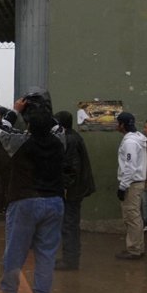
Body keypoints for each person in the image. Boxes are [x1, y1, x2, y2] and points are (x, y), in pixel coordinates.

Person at [0, 95, 64, 293]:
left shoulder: (19, 142)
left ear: (28, 124)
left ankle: (9, 291)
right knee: (47, 252)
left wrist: (15, 111)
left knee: (16, 249)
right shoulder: (59, 141)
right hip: (55, 201)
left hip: (25, 201)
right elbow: (57, 127)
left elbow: (1, 128)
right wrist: (45, 111)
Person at [53, 111, 95, 270]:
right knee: (70, 223)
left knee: (69, 224)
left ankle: (70, 260)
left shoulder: (69, 139)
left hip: (72, 190)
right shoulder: (72, 136)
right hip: (74, 188)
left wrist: (64, 187)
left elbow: (71, 168)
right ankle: (70, 257)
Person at [114, 112, 147, 260]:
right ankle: (137, 247)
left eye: (118, 123)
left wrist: (123, 186)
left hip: (132, 184)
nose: (117, 125)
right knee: (135, 216)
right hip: (135, 182)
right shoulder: (137, 139)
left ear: (122, 125)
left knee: (131, 217)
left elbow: (130, 166)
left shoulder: (130, 143)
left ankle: (134, 250)